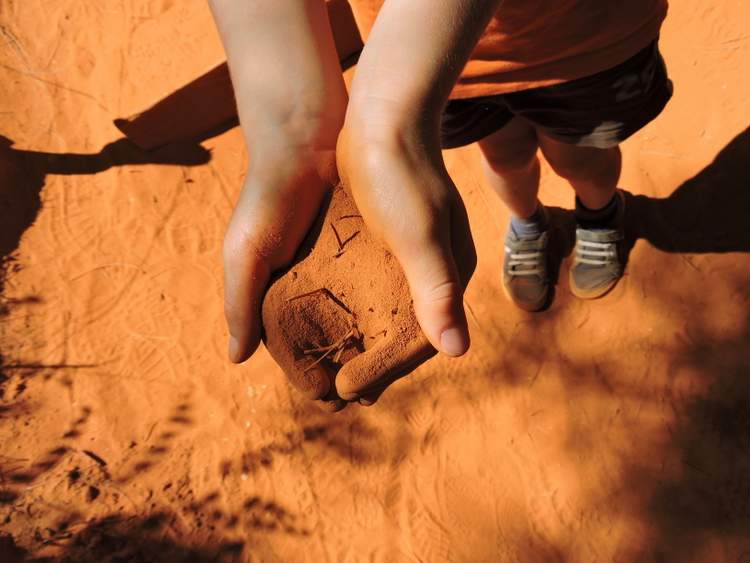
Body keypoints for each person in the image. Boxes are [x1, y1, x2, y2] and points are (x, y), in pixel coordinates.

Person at [208, 0, 671, 393]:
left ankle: (599, 215)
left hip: (589, 41)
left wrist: (388, 108)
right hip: (437, 63)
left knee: (582, 159)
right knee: (505, 157)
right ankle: (530, 223)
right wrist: (294, 131)